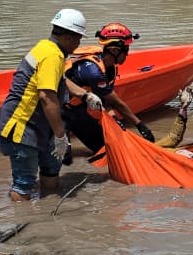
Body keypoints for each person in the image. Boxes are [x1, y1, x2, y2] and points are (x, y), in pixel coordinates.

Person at [0, 7, 86, 202]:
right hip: (22, 128)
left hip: (41, 127)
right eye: (79, 38)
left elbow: (60, 80)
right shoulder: (52, 56)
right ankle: (24, 225)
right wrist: (61, 135)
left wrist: (85, 95)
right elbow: (46, 97)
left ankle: (47, 213)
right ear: (69, 37)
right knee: (23, 185)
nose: (79, 44)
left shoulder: (48, 48)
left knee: (51, 172)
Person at [62, 21, 155, 158]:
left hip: (79, 111)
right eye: (126, 50)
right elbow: (117, 102)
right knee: (63, 159)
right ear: (115, 50)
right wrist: (140, 125)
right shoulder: (93, 71)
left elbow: (107, 100)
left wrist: (115, 121)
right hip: (61, 112)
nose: (127, 55)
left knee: (106, 152)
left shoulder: (109, 67)